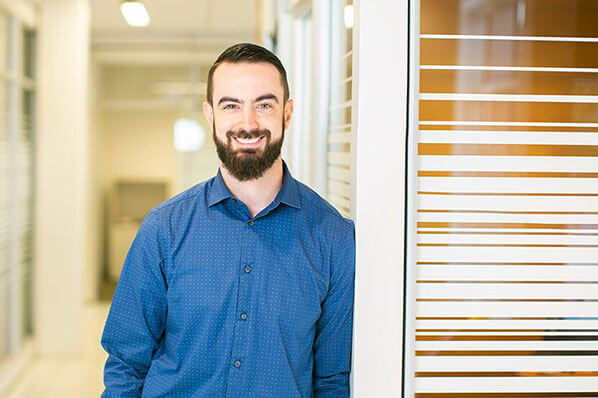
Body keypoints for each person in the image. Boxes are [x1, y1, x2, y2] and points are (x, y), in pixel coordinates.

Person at [101, 43, 355, 398]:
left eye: (264, 105)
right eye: (231, 105)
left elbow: (332, 381)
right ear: (211, 115)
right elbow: (127, 365)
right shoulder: (164, 230)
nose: (248, 123)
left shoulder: (333, 239)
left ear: (287, 113)